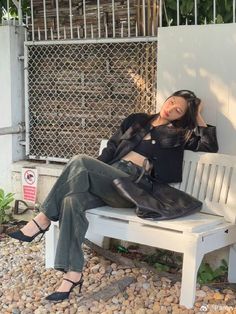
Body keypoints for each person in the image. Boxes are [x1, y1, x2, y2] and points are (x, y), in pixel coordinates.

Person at [8, 90, 218, 302]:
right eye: (171, 102)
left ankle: (43, 219)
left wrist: (197, 113)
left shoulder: (178, 134)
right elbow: (111, 147)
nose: (171, 108)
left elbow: (209, 145)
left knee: (80, 160)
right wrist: (93, 171)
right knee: (72, 200)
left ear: (181, 116)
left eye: (178, 110)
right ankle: (73, 274)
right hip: (108, 178)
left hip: (132, 187)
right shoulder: (137, 120)